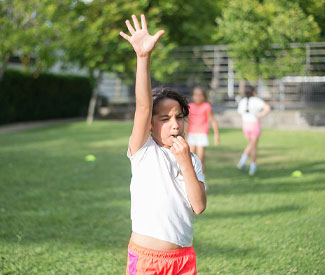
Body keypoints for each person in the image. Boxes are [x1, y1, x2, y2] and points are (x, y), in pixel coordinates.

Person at [120, 14, 206, 274]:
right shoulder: (143, 151)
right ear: (150, 124)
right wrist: (143, 57)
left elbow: (199, 206)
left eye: (179, 117)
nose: (174, 124)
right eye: (165, 118)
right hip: (146, 258)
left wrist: (185, 162)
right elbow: (144, 105)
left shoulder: (190, 159)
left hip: (182, 259)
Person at [237, 85, 271, 176]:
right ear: (253, 92)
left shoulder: (242, 101)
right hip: (254, 124)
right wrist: (260, 115)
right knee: (252, 145)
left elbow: (240, 113)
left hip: (245, 125)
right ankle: (243, 161)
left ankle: (253, 166)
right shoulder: (257, 100)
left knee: (252, 145)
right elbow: (267, 108)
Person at [187, 87, 219, 174]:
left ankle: (202, 180)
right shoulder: (190, 107)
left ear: (204, 96)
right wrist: (185, 135)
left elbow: (213, 121)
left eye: (200, 95)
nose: (198, 97)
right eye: (195, 95)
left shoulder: (206, 106)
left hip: (202, 134)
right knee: (189, 158)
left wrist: (216, 135)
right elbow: (188, 122)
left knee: (200, 159)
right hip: (192, 134)